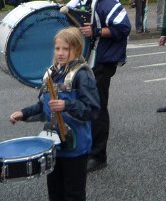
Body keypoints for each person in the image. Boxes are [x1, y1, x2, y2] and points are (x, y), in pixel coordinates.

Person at [9, 27, 100, 201]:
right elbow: (43, 106)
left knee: (73, 194)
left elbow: (93, 109)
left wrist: (67, 105)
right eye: (58, 48)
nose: (61, 53)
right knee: (55, 192)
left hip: (76, 147)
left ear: (77, 49)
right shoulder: (51, 73)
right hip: (53, 146)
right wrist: (23, 113)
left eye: (66, 49)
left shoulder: (82, 75)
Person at [74, 0, 131, 172]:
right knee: (91, 105)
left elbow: (124, 26)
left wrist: (96, 31)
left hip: (103, 63)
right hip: (94, 61)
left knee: (97, 108)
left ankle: (98, 156)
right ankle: (90, 150)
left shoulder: (106, 2)